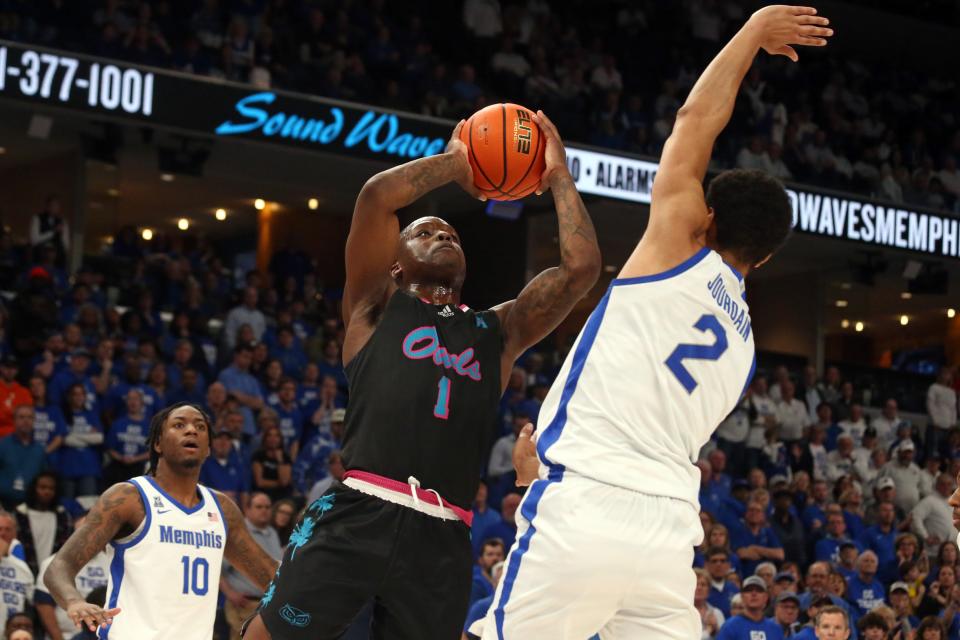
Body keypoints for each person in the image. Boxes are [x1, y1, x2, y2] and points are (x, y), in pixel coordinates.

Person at [482, 8, 832, 638]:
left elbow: (694, 121)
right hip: (668, 538)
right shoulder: (747, 349)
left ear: (708, 216)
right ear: (769, 257)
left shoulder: (678, 243)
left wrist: (752, 32)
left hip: (586, 500)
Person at [245, 107, 600, 639]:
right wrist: (460, 164)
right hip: (361, 508)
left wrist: (557, 177)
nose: (442, 234)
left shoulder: (497, 330)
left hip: (444, 533)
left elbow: (581, 270)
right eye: (425, 231)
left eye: (451, 232)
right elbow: (376, 197)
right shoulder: (374, 304)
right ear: (395, 264)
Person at [42, 403, 278, 638]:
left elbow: (270, 575)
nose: (191, 430)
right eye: (179, 425)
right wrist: (74, 602)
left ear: (208, 448)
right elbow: (59, 567)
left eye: (200, 427)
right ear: (158, 444)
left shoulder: (222, 509)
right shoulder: (128, 498)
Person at [219, 492, 284, 640]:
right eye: (259, 506)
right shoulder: (237, 533)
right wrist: (230, 593)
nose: (264, 510)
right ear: (247, 510)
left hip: (268, 607)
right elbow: (216, 568)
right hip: (244, 606)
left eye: (267, 507)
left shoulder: (272, 532)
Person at [34, 513, 109, 640]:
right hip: (65, 635)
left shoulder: (111, 562)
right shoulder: (54, 563)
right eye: (84, 533)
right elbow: (44, 605)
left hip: (106, 633)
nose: (90, 538)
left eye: (95, 533)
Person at [13, 472, 71, 576]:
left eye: (51, 488)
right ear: (34, 488)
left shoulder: (62, 516)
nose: (47, 492)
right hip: (24, 572)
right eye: (42, 487)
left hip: (52, 574)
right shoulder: (20, 514)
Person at [0, 406, 46, 509]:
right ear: (14, 421)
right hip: (3, 505)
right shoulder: (2, 445)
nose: (26, 421)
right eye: (21, 417)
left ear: (34, 421)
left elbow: (44, 477)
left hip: (31, 506)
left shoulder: (40, 449)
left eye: (30, 417)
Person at [716, 575, 783, 639]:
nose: (754, 594)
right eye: (749, 590)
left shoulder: (775, 629)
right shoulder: (730, 627)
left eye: (759, 590)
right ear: (742, 597)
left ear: (766, 597)